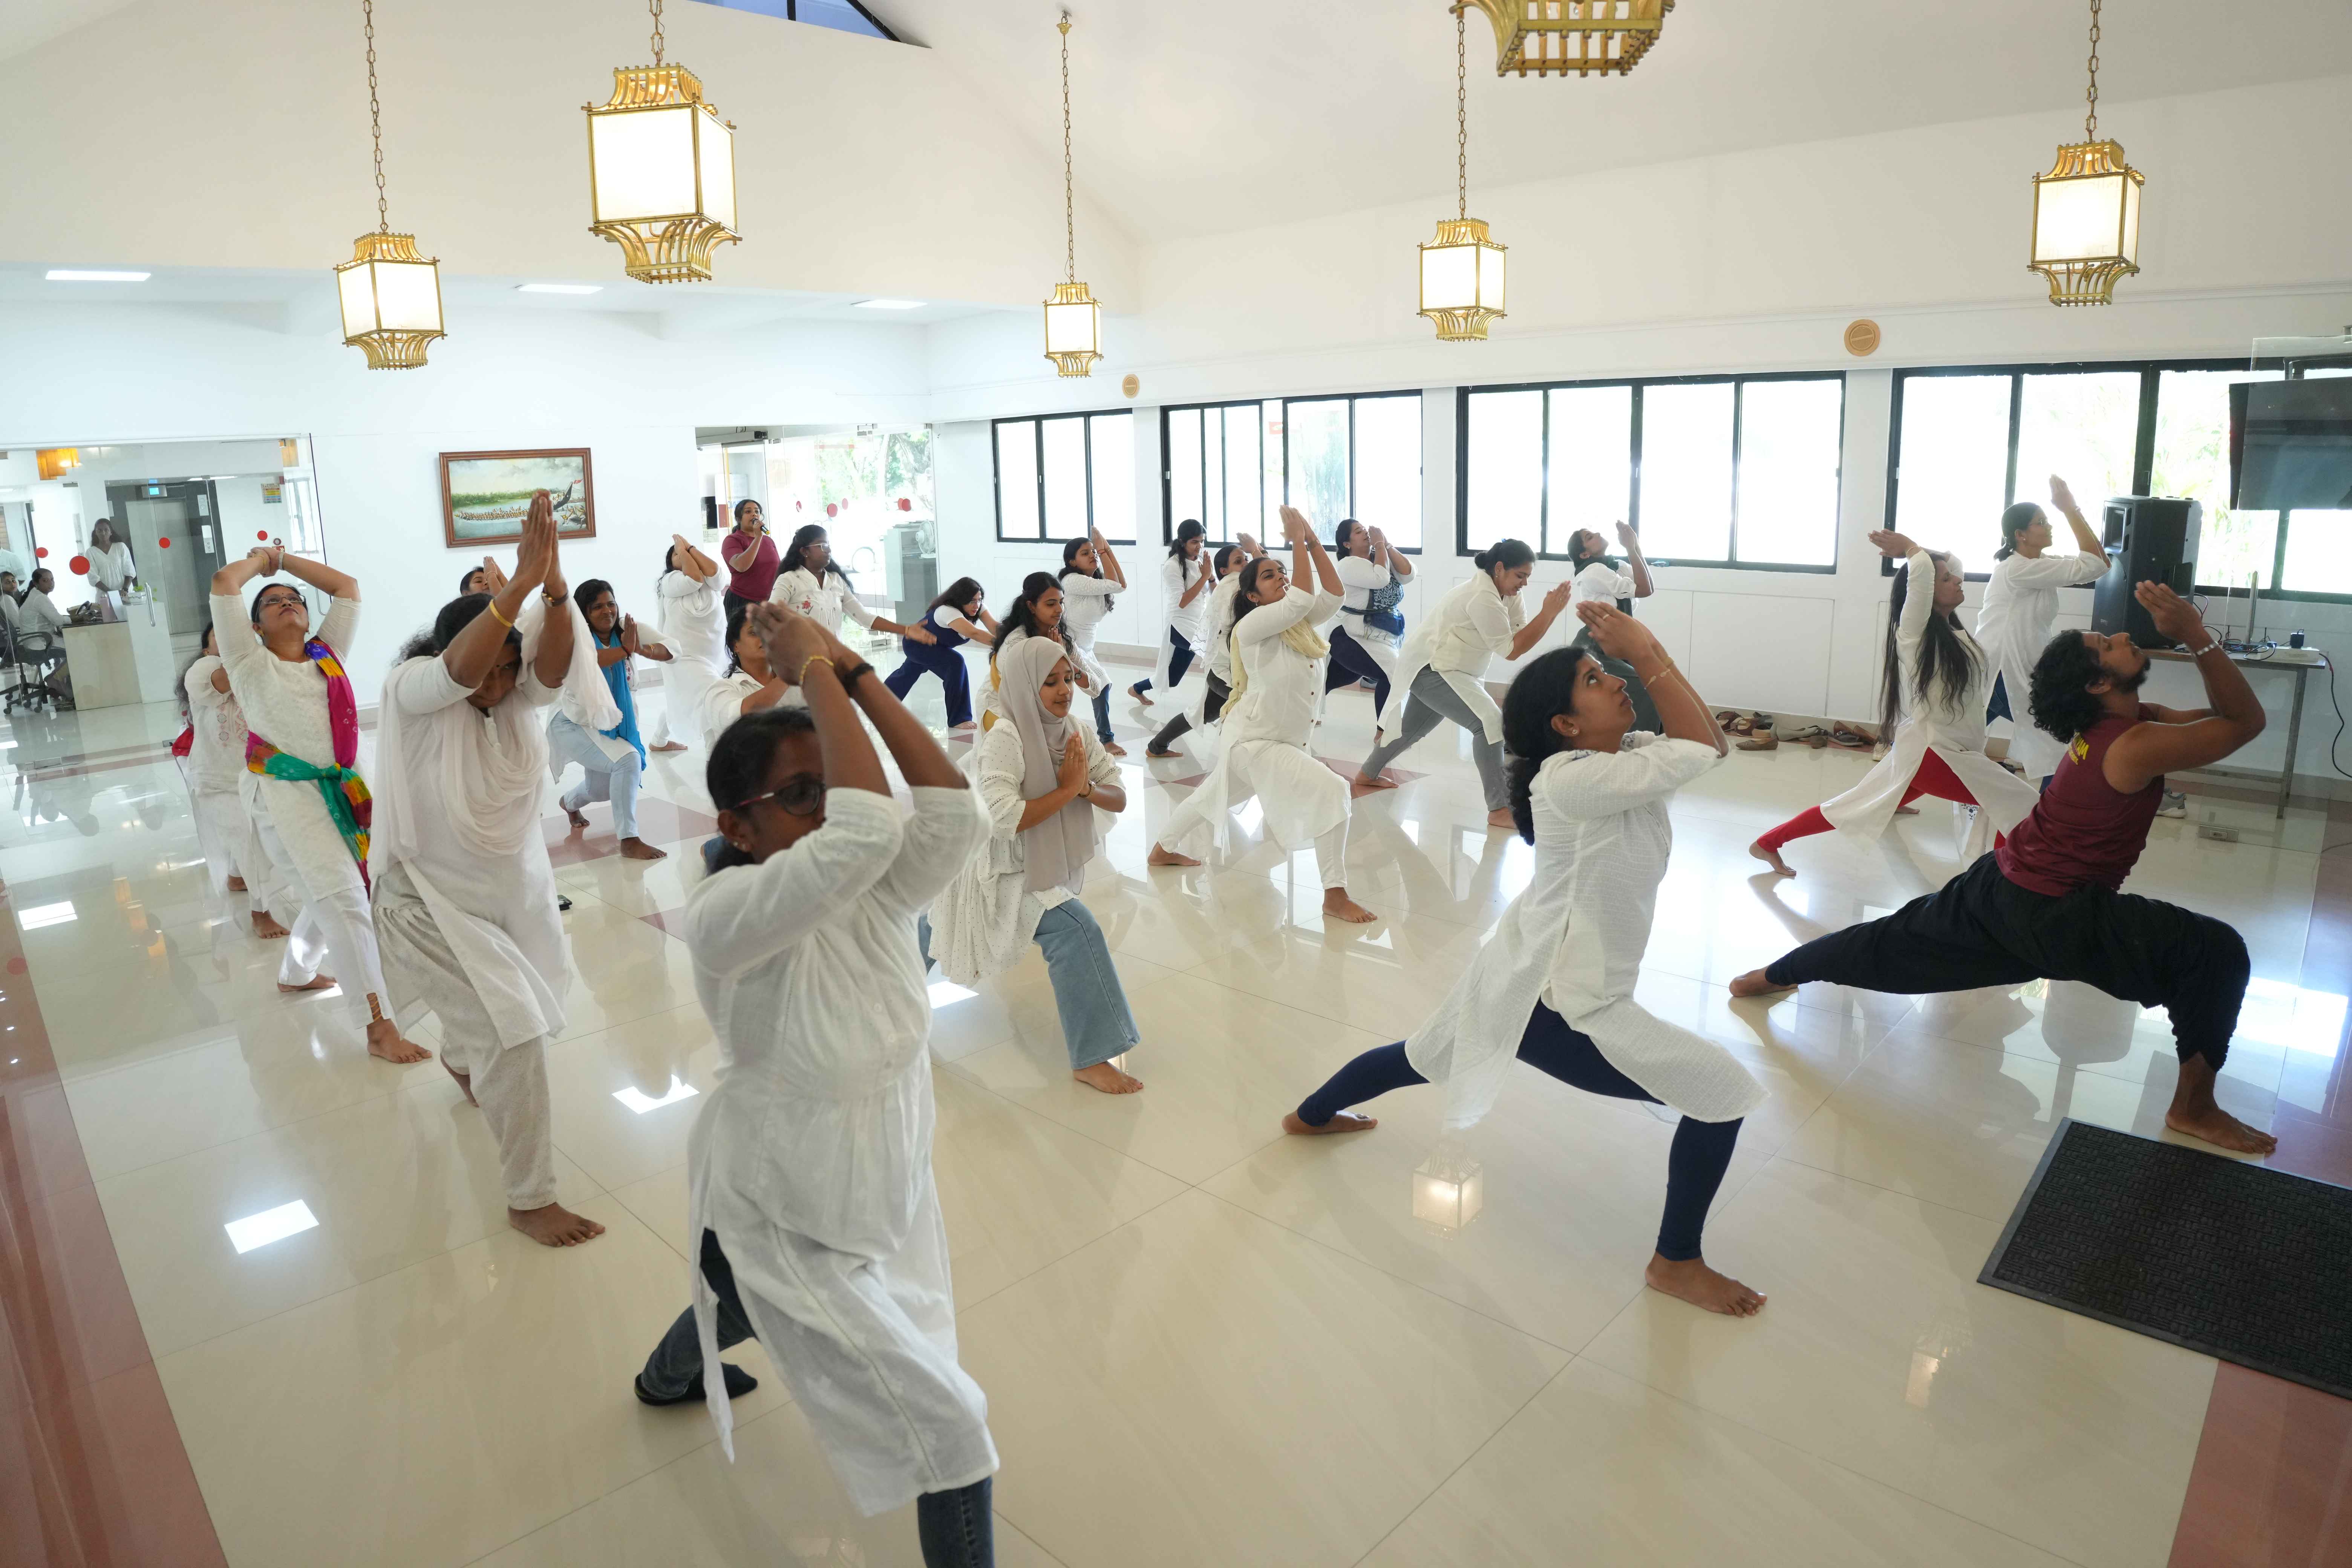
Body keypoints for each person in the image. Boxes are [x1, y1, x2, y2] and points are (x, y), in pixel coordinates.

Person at [631, 604, 1000, 1565]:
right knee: (950, 1428)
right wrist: (818, 675)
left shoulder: (868, 883)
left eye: (833, 784)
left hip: (879, 1162)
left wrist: (858, 675)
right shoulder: (727, 911)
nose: (835, 805)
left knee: (739, 1298)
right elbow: (864, 830)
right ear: (736, 826)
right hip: (783, 1200)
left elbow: (953, 812)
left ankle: (665, 1376)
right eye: (806, 794)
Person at [1286, 605, 1770, 1315]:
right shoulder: (1573, 779)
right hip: (1569, 1008)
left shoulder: (1616, 756)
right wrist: (1648, 648)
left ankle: (1311, 1115)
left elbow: (1708, 744)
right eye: (1594, 679)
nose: (1614, 682)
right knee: (1720, 1095)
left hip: (1520, 974)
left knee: (1422, 1056)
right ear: (1565, 727)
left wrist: (1645, 655)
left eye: (1606, 673)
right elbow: (1699, 751)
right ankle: (1676, 1264)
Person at [1731, 581, 2277, 1157]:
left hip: (2001, 884)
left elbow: (2222, 716)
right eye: (2109, 643)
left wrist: (2197, 645)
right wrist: (2193, 636)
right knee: (2216, 952)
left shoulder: (2120, 725)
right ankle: (2193, 1108)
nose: (2122, 636)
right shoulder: (2135, 743)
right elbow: (2245, 723)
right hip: (2056, 912)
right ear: (2098, 684)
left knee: (1884, 942)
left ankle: (1768, 977)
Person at [372, 495, 606, 1247]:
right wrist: (516, 586)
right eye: (492, 664)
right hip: (427, 904)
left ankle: (461, 1052)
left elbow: (553, 664)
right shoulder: (414, 692)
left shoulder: (512, 699)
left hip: (508, 896)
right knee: (518, 1034)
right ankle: (529, 1197)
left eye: (510, 666)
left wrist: (556, 587)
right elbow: (461, 667)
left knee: (506, 1017)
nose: (501, 680)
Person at [210, 544, 427, 1064]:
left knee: (332, 889)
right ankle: (378, 1028)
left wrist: (287, 566)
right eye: (273, 603)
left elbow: (347, 589)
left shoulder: (326, 656)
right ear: (255, 626)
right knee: (344, 898)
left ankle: (297, 974)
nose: (288, 603)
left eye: (296, 600)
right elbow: (224, 582)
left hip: (346, 786)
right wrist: (267, 561)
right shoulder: (247, 660)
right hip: (285, 796)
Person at [1749, 531, 2039, 877]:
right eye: (1946, 579)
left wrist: (1931, 555)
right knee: (2019, 804)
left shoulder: (1950, 631)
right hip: (1937, 755)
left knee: (1855, 805)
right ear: (1927, 592)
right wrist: (1912, 551)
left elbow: (1948, 567)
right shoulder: (1914, 634)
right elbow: (1919, 582)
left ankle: (1767, 843)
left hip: (1934, 750)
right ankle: (2004, 885)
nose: (1958, 580)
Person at [928, 635, 1143, 1095]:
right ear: (1026, 686)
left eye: (1067, 678)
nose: (1065, 690)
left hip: (1034, 863)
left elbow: (1119, 795)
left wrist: (1082, 788)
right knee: (1071, 928)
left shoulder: (1077, 731)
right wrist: (1068, 791)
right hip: (996, 866)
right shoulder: (1006, 735)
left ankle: (876, 993)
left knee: (935, 922)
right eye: (1050, 682)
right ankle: (1093, 1056)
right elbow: (1004, 817)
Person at [1147, 506, 1378, 924]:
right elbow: (1305, 598)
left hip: (1272, 740)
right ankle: (1335, 894)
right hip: (1257, 742)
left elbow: (1334, 593)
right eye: (1270, 576)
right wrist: (1297, 542)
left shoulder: (1300, 621)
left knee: (1211, 795)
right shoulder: (1251, 627)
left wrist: (1310, 540)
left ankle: (1162, 849)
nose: (1283, 578)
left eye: (1282, 572)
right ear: (1252, 595)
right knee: (1333, 790)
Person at [1356, 539, 1573, 827]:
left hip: (1451, 671)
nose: (1524, 584)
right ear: (1499, 569)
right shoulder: (1481, 597)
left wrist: (1549, 614)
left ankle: (1366, 775)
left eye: (1527, 577)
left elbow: (1520, 635)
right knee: (1488, 722)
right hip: (1432, 669)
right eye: (1520, 576)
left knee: (1410, 731)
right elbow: (1511, 651)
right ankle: (1498, 809)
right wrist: (1549, 613)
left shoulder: (1508, 594)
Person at [1977, 475, 2109, 782]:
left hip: (2015, 671)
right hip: (2001, 672)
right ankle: (2053, 818)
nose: (2049, 526)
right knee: (2058, 738)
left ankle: (2051, 816)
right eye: (2041, 522)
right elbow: (2096, 565)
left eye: (2048, 520)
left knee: (1946, 739)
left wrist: (2070, 510)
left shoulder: (2038, 565)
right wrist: (2070, 509)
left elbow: (2099, 563)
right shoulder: (2018, 569)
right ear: (2021, 535)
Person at [180, 621, 291, 939]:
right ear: (206, 649)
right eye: (221, 635)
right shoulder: (203, 669)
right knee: (247, 837)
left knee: (248, 834)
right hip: (216, 778)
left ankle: (235, 876)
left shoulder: (260, 665)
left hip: (256, 773)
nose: (231, 639)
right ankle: (261, 913)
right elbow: (226, 680)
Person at [548, 579, 672, 862]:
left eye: (611, 604)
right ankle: (629, 839)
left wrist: (644, 649)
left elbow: (672, 649)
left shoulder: (628, 631)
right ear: (584, 613)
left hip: (612, 722)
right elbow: (587, 662)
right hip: (573, 722)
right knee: (627, 761)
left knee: (601, 789)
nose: (607, 611)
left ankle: (568, 803)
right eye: (597, 607)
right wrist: (627, 650)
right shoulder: (574, 638)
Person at [1142, 538, 1261, 759]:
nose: (1246, 563)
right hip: (1223, 670)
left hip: (1221, 668)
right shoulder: (1232, 587)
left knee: (1200, 714)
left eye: (1246, 559)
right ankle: (1246, 758)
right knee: (1254, 704)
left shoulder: (1235, 586)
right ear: (1226, 571)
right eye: (1239, 561)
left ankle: (1157, 745)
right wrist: (1255, 551)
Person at [1565, 522, 1661, 732]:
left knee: (1652, 685)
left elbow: (1649, 587)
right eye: (1590, 537)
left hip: (1618, 641)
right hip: (1596, 645)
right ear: (1584, 555)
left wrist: (1635, 547)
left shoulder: (1615, 565)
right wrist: (1630, 549)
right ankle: (1645, 750)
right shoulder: (1593, 571)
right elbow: (1643, 590)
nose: (1597, 534)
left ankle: (1651, 745)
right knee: (1646, 688)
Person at [772, 523, 934, 645]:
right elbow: (770, 617)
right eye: (822, 546)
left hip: (834, 661)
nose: (828, 550)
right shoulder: (789, 580)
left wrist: (907, 630)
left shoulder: (836, 580)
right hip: (799, 665)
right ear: (804, 551)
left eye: (828, 545)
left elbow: (864, 618)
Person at [1323, 518, 1414, 725]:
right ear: (1347, 544)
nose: (1365, 533)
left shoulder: (1379, 556)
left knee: (1341, 677)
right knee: (1392, 672)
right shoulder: (1347, 565)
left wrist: (1387, 545)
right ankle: (1385, 731)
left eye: (1365, 529)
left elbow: (1408, 574)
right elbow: (1380, 579)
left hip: (1378, 631)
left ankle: (1304, 712)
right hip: (1349, 634)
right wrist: (1381, 545)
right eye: (1358, 532)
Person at [885, 577, 996, 730]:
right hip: (916, 645)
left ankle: (879, 700)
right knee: (955, 663)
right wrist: (1004, 644)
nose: (976, 605)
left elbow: (995, 627)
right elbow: (975, 633)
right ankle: (959, 719)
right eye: (972, 601)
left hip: (936, 646)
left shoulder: (978, 607)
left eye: (979, 600)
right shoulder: (947, 611)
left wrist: (1014, 637)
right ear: (960, 599)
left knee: (908, 673)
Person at [649, 533, 726, 753]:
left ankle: (659, 740)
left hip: (712, 655)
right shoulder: (670, 581)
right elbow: (693, 580)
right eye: (676, 554)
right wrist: (683, 550)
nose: (681, 555)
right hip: (683, 656)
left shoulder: (709, 579)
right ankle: (716, 755)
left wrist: (688, 548)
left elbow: (718, 577)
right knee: (710, 696)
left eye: (685, 552)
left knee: (683, 702)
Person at [1055, 528, 1128, 755]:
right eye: (1086, 553)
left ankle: (1104, 738)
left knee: (1100, 687)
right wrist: (1104, 549)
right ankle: (1106, 740)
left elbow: (1121, 584)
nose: (1093, 556)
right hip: (1069, 643)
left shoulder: (1093, 581)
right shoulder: (1072, 580)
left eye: (1093, 552)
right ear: (1072, 562)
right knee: (1101, 685)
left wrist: (1106, 550)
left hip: (1085, 647)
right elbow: (1118, 585)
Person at [696, 600, 805, 748]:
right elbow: (747, 715)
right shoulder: (720, 690)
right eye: (754, 632)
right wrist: (787, 675)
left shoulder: (799, 682)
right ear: (736, 646)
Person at [1128, 519, 1212, 707]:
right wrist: (1205, 576)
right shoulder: (1173, 566)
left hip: (1198, 622)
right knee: (1213, 655)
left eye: (1202, 541)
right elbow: (1182, 602)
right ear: (1182, 541)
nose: (1200, 546)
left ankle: (1136, 689)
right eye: (1195, 542)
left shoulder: (1200, 562)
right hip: (1180, 624)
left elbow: (1211, 590)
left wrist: (1211, 576)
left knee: (1172, 679)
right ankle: (1216, 706)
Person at [977, 572, 1073, 734]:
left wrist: (1063, 659)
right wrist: (1054, 658)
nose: (1060, 610)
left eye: (1061, 602)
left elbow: (1095, 685)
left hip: (1038, 706)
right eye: (1051, 604)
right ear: (1031, 606)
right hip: (1000, 707)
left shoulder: (1057, 634)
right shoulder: (1017, 643)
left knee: (1075, 732)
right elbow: (1025, 691)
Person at [722, 499, 779, 618]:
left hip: (768, 602)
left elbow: (778, 568)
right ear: (739, 519)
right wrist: (758, 537)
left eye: (757, 512)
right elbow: (741, 566)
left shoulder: (768, 541)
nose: (754, 514)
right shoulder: (732, 540)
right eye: (748, 512)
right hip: (742, 602)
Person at [86, 518, 138, 616]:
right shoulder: (91, 552)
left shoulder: (121, 547)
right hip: (105, 596)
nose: (103, 533)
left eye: (106, 530)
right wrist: (113, 594)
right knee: (110, 626)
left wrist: (124, 590)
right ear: (96, 533)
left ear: (111, 532)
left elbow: (130, 571)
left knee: (132, 622)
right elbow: (93, 578)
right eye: (100, 530)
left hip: (126, 594)